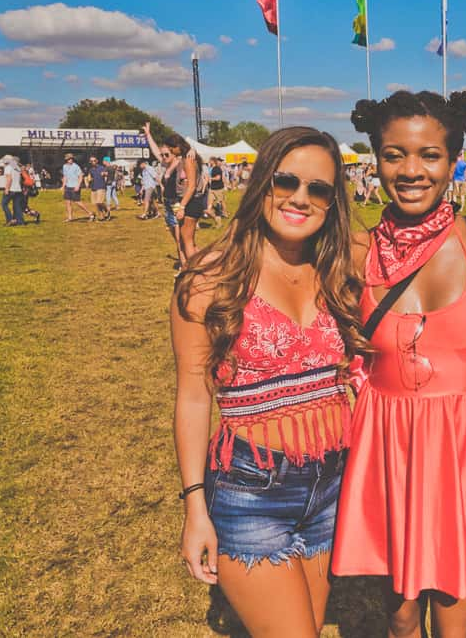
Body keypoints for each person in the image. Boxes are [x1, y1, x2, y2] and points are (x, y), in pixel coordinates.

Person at [331, 90, 466, 638]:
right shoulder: (354, 253)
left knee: (457, 627)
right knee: (401, 622)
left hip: (465, 450)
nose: (411, 170)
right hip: (388, 448)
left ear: (455, 158)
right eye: (394, 155)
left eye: (430, 155)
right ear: (375, 159)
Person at [172, 126, 368, 637]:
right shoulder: (209, 280)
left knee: (314, 624)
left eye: (319, 189)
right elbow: (193, 398)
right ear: (262, 183)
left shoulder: (342, 267)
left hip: (332, 485)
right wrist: (195, 507)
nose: (300, 198)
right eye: (287, 181)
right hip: (251, 491)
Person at [144, 123, 202, 260]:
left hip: (183, 201)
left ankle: (189, 268)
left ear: (176, 148)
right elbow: (155, 151)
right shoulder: (178, 160)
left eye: (169, 151)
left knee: (183, 239)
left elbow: (192, 185)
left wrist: (181, 207)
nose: (164, 156)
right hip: (173, 203)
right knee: (182, 238)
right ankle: (190, 265)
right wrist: (148, 135)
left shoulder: (185, 160)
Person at [87, 156, 110, 221]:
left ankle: (107, 210)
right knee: (95, 203)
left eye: (94, 160)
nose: (93, 162)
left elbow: (107, 174)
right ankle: (101, 216)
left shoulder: (101, 168)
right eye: (91, 161)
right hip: (93, 187)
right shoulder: (91, 169)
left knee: (99, 202)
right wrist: (89, 179)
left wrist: (105, 174)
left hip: (101, 186)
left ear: (97, 161)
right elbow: (89, 177)